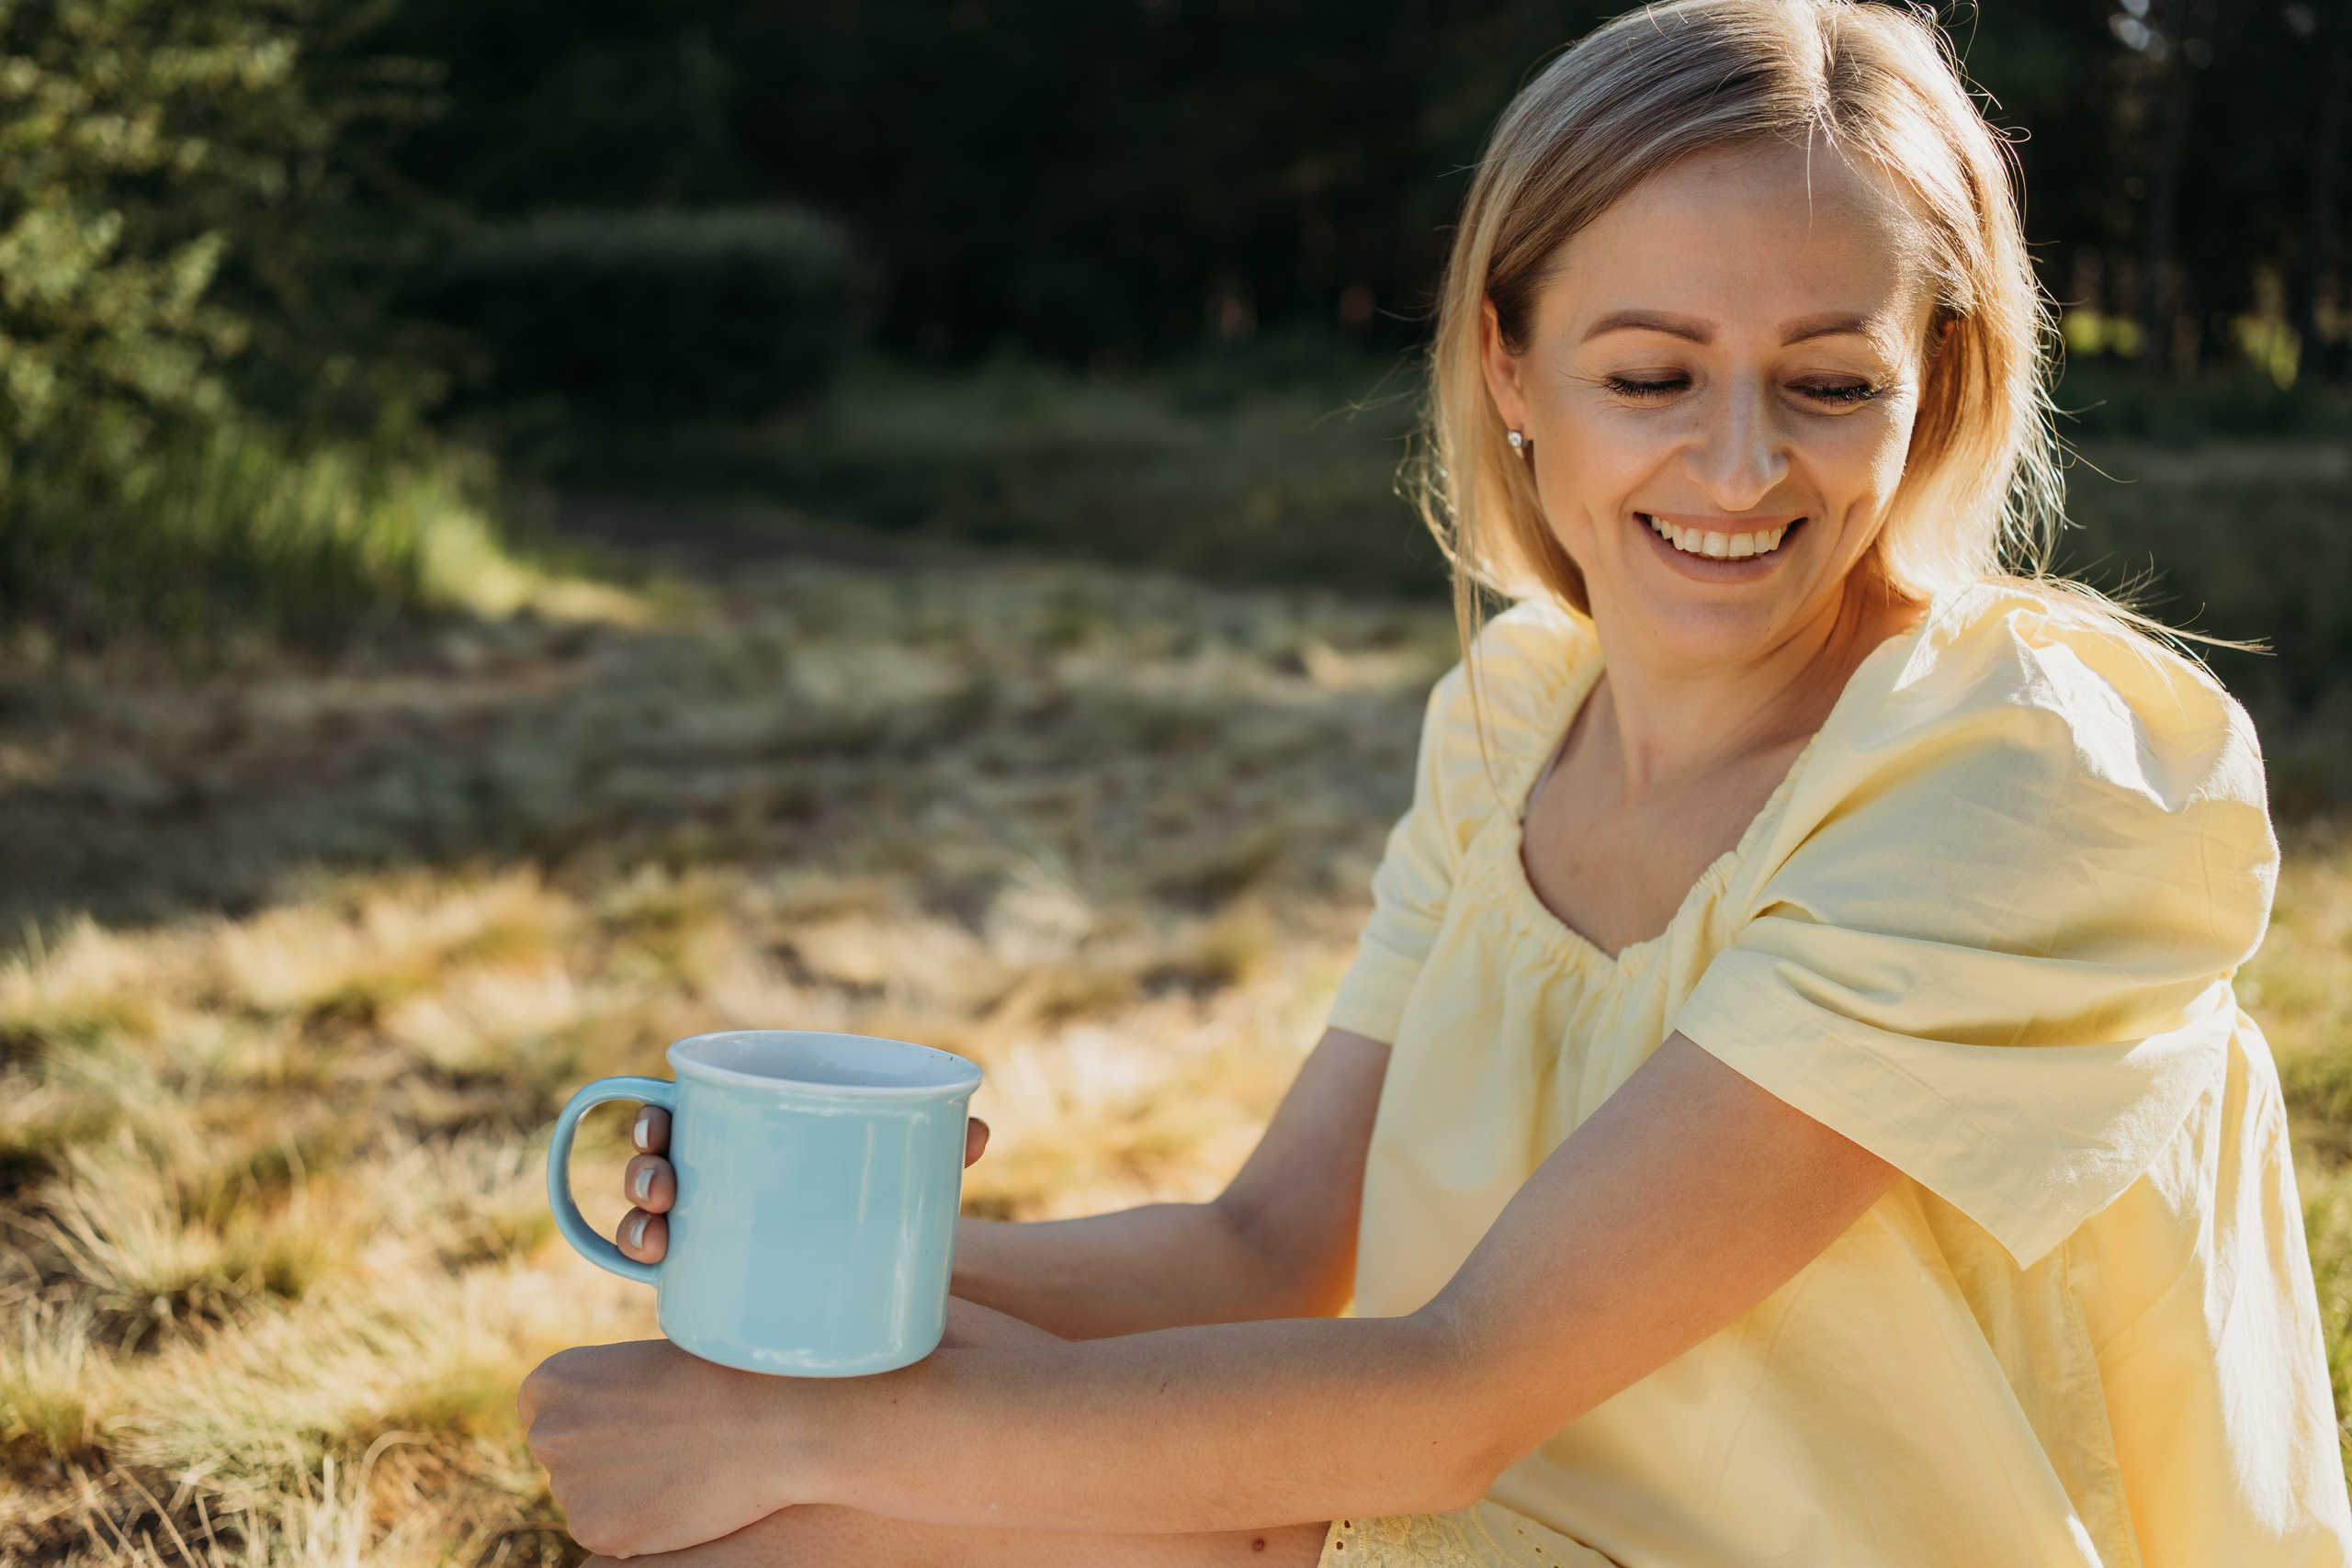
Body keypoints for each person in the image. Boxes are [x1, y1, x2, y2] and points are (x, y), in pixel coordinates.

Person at [517, 2, 2352, 1562]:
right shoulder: (1514, 716)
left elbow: (1450, 1388)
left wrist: (793, 1438)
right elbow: (1262, 1248)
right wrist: (810, 1276)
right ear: (1507, 360)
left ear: (1932, 381)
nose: (1737, 465)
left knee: (788, 1510)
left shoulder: (2008, 776)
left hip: (1559, 1493)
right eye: (1648, 372)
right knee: (791, 1472)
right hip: (1476, 1517)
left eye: (1825, 383)